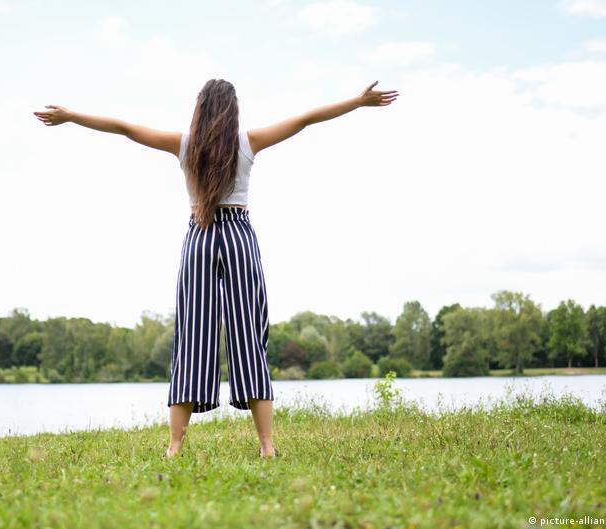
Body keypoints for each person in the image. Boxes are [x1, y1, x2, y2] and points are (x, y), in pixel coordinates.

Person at [33, 79, 399, 458]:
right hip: (239, 236)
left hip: (201, 237)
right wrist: (357, 101)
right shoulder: (248, 142)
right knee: (249, 339)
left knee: (193, 337)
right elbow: (306, 119)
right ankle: (267, 446)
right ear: (233, 110)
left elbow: (125, 128)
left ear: (200, 109)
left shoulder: (185, 145)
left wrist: (72, 116)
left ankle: (175, 447)